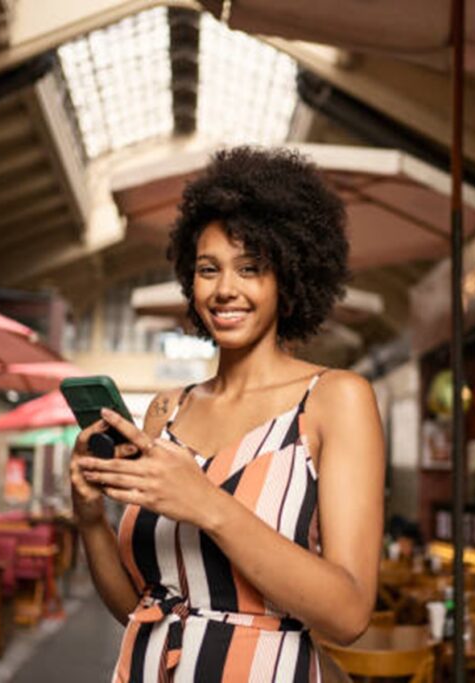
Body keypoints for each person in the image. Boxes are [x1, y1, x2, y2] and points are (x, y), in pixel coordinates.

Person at [72, 147, 385, 682]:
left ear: (288, 277)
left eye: (251, 269)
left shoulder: (336, 399)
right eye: (208, 270)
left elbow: (349, 613)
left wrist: (206, 503)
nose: (225, 290)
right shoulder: (167, 411)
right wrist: (88, 518)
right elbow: (139, 608)